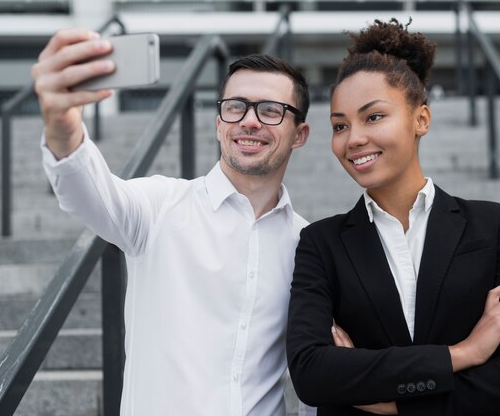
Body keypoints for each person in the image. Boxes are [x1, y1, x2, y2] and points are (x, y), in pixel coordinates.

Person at [32, 29, 314, 415]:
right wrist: (63, 130)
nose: (249, 121)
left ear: (299, 134)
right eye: (235, 107)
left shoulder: (307, 243)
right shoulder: (160, 206)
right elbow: (89, 194)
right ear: (219, 123)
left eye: (270, 110)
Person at [286, 19, 500, 415]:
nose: (353, 138)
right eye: (340, 125)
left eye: (373, 117)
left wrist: (389, 402)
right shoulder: (320, 243)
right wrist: (464, 353)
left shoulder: (489, 226)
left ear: (421, 120)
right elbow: (313, 373)